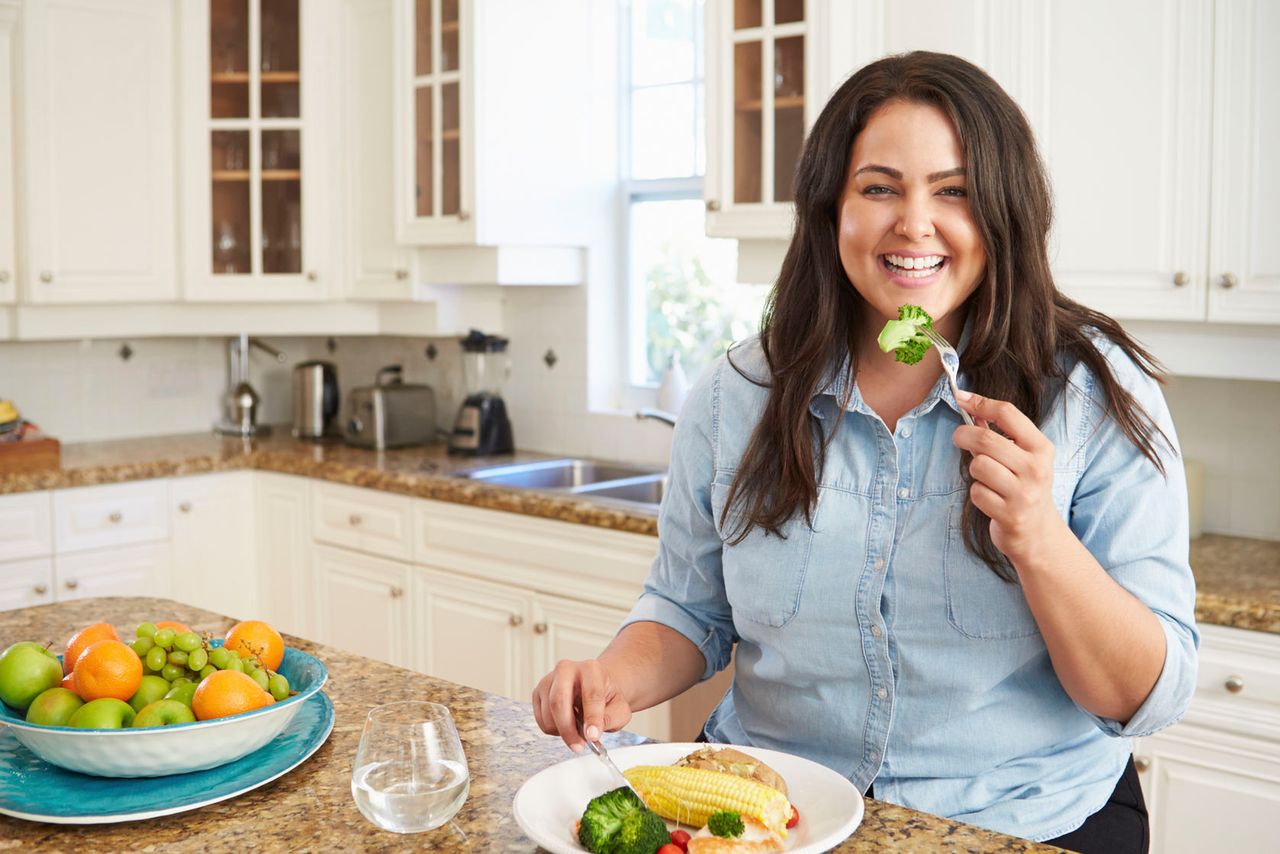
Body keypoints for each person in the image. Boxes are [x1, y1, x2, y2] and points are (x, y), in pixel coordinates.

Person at [531, 51, 1197, 851]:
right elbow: (689, 609)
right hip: (774, 811)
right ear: (830, 209)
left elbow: (1143, 698)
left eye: (953, 191)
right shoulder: (735, 393)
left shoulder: (1091, 396)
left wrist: (1039, 539)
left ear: (1004, 212)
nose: (914, 223)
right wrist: (613, 679)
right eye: (879, 188)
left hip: (1023, 820)